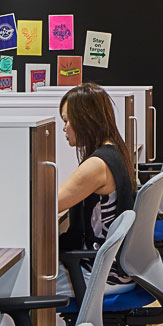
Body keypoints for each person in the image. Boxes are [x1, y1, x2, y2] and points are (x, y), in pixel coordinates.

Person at [55, 82, 136, 292]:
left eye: (67, 120)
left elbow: (50, 205)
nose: (64, 128)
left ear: (86, 119)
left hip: (101, 274)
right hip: (113, 265)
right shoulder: (114, 151)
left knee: (28, 283)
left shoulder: (96, 165)